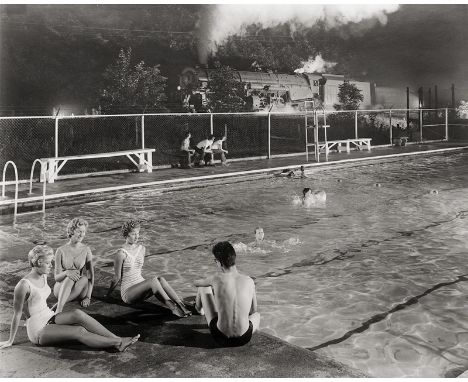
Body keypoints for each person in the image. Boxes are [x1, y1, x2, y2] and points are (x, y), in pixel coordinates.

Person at [0, 245, 139, 351]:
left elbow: (39, 302)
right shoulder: (23, 285)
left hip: (48, 316)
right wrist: (10, 341)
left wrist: (55, 307)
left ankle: (115, 338)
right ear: (39, 262)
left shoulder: (42, 275)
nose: (51, 266)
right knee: (79, 331)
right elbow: (17, 314)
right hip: (38, 330)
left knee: (78, 314)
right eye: (48, 263)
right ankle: (118, 342)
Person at [106, 219, 191, 318]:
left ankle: (181, 305)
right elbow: (117, 277)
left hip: (140, 287)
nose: (137, 236)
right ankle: (173, 308)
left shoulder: (142, 249)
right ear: (126, 234)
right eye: (133, 234)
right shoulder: (120, 254)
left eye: (138, 233)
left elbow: (137, 270)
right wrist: (108, 294)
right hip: (128, 293)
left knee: (161, 279)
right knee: (153, 281)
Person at [194, 241, 260, 347]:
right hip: (244, 338)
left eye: (215, 260)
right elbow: (253, 310)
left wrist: (206, 282)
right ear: (234, 257)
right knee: (257, 315)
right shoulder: (249, 281)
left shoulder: (216, 278)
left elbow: (197, 283)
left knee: (203, 288)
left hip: (220, 337)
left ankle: (198, 309)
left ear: (219, 262)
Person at [53, 218, 94, 313]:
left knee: (84, 279)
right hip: (61, 288)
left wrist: (88, 297)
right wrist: (67, 272)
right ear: (71, 231)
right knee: (70, 277)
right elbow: (57, 278)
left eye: (84, 232)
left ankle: (58, 307)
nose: (82, 234)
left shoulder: (86, 250)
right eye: (79, 231)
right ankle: (59, 308)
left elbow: (90, 276)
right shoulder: (60, 250)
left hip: (79, 288)